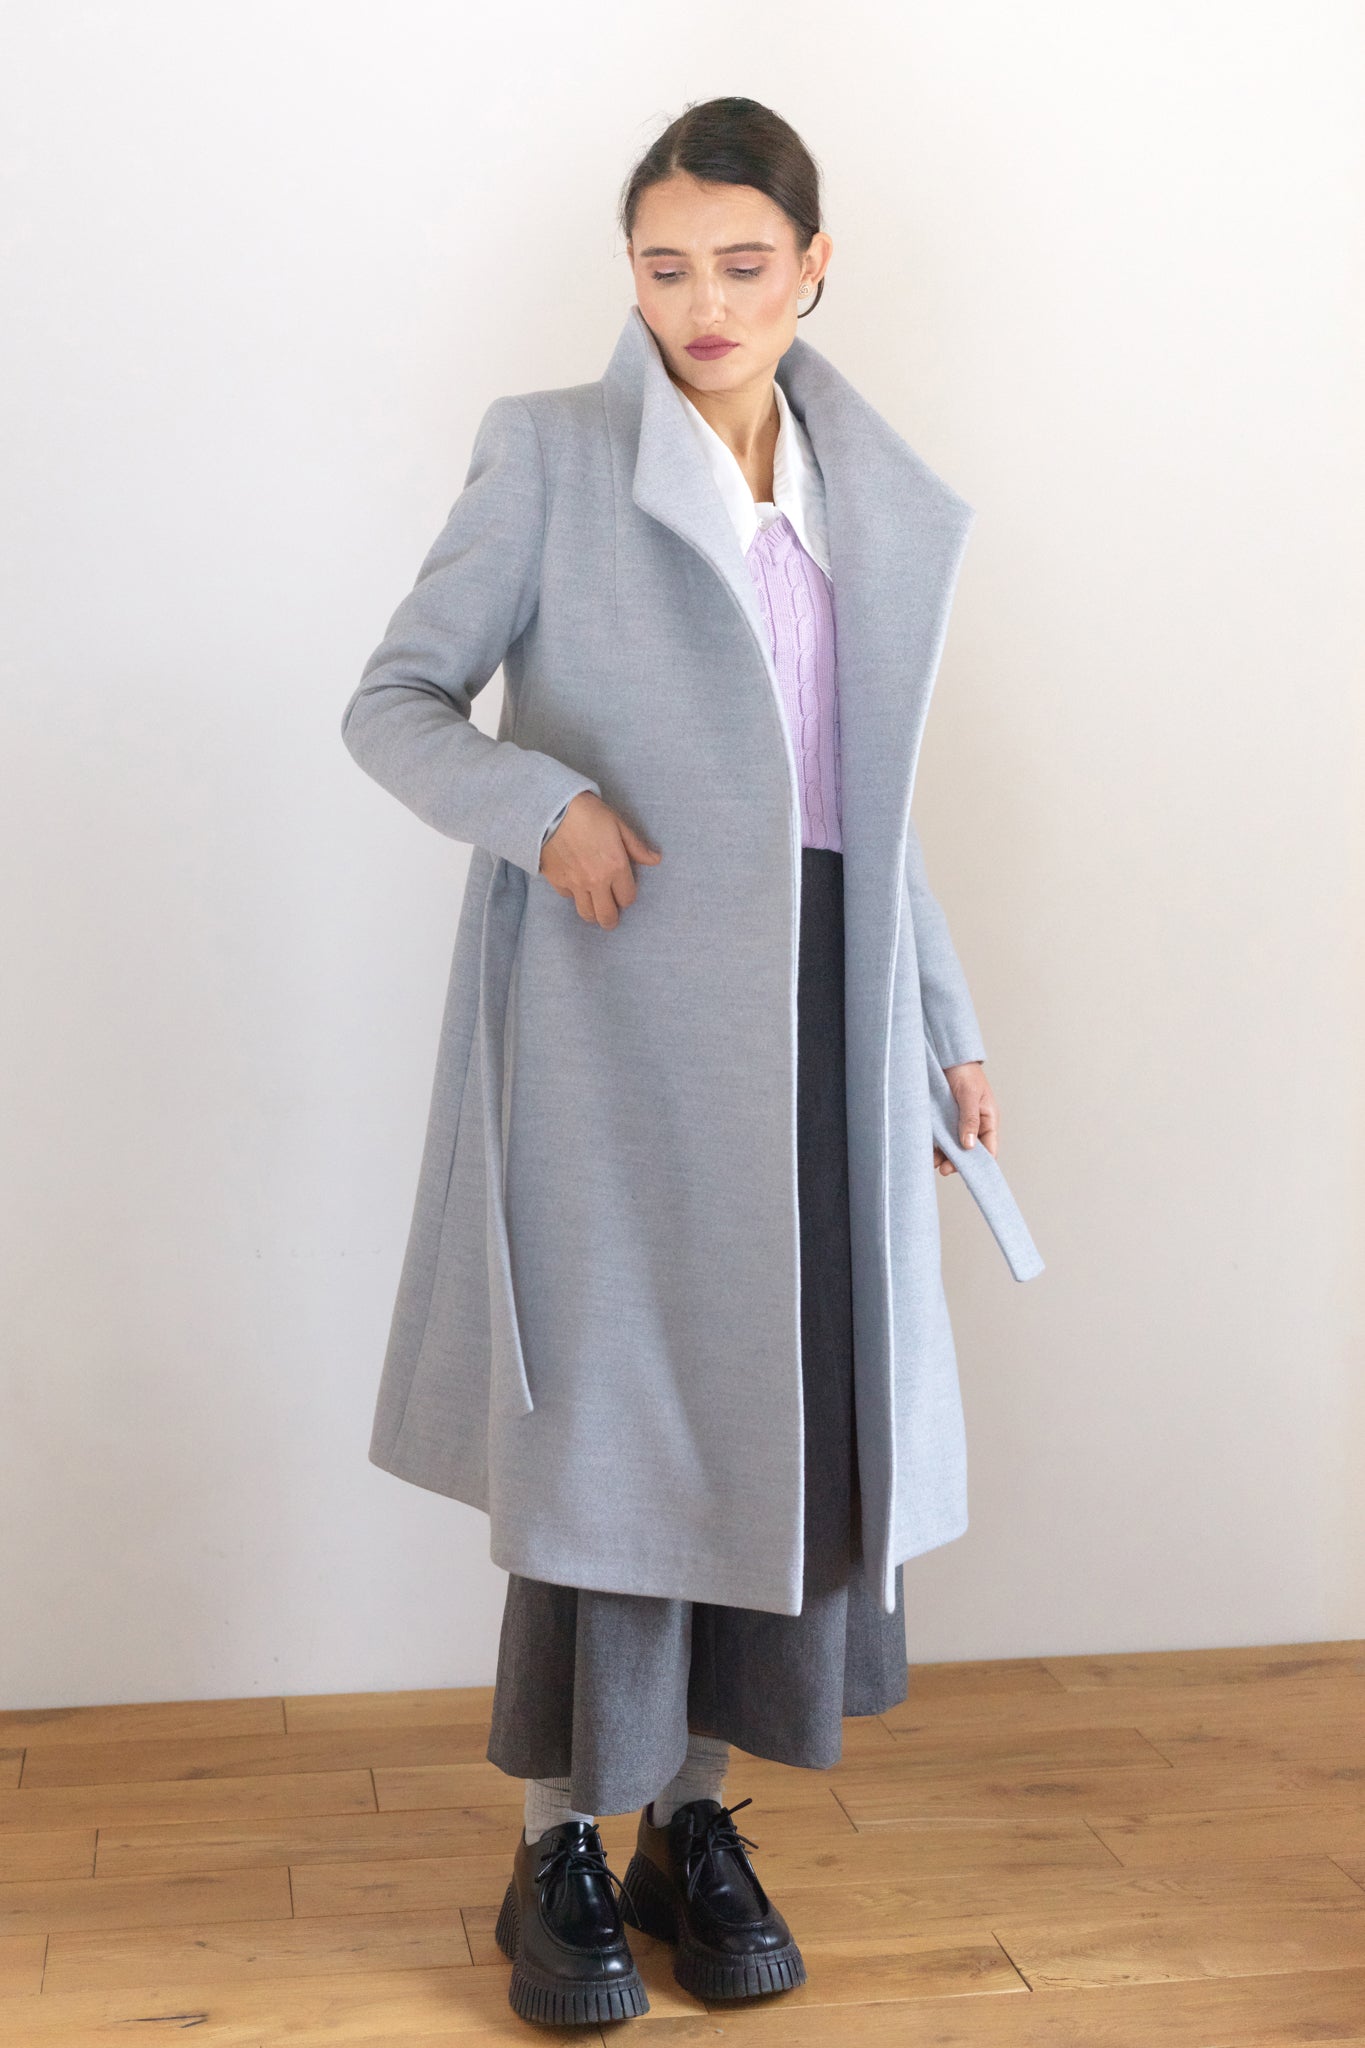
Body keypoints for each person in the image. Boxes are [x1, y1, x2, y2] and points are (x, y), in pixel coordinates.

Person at [340, 95, 1043, 2031]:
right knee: (613, 1442)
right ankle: (557, 1844)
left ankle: (693, 1824)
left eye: (742, 264)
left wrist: (945, 1028)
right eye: (665, 267)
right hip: (622, 1031)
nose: (703, 303)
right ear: (630, 275)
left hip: (822, 1026)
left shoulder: (866, 499)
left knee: (780, 1437)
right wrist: (544, 805)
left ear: (814, 267)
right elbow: (393, 703)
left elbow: (864, 811)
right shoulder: (552, 454)